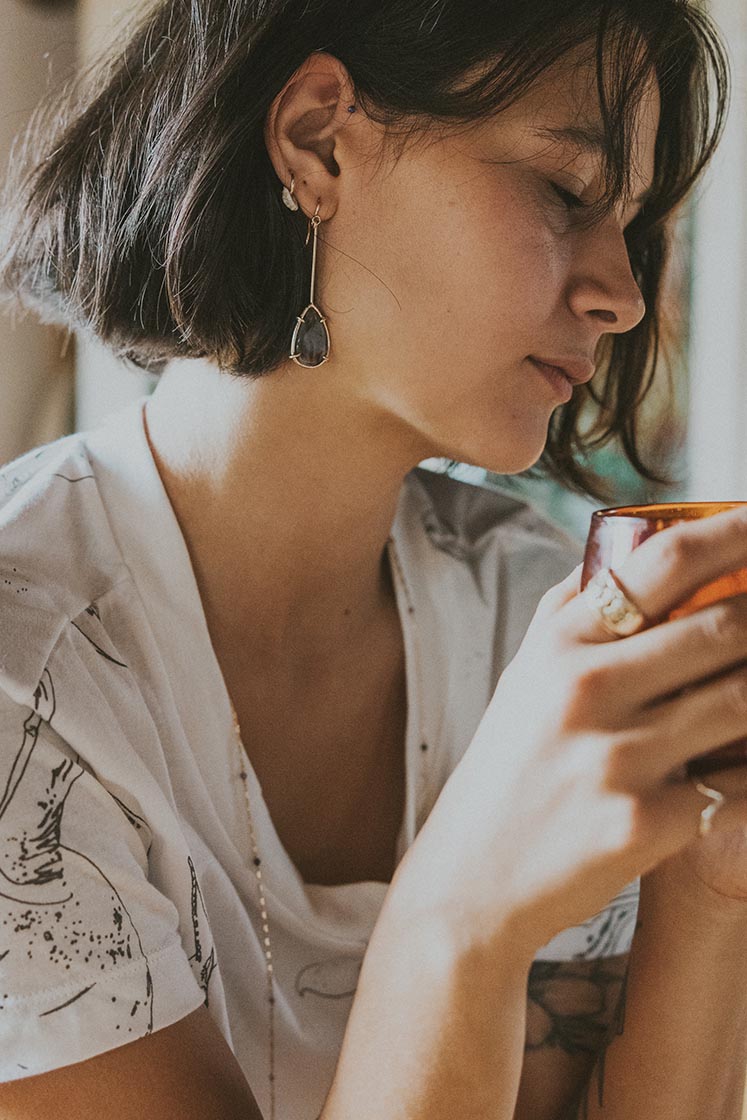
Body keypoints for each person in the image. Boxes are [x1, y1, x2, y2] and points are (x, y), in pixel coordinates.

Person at [0, 1, 744, 1118]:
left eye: (631, 227)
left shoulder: (524, 614)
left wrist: (710, 872)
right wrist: (463, 913)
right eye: (567, 192)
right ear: (316, 141)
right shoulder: (25, 682)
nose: (624, 295)